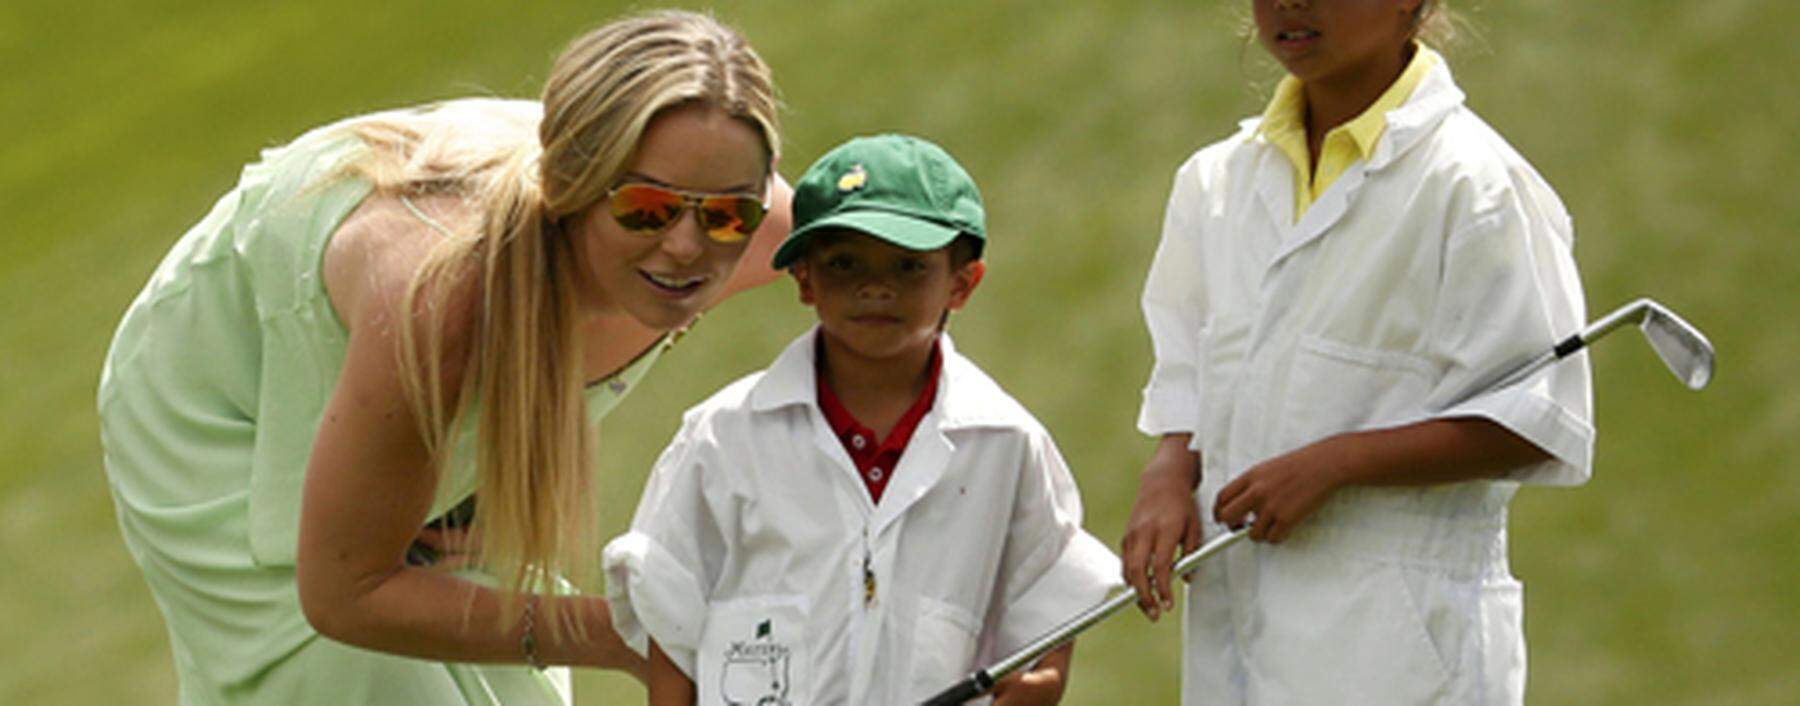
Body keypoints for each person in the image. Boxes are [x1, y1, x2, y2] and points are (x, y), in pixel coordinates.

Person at [97, 10, 791, 705]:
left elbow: (894, 293)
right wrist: (627, 636)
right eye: (645, 208)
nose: (686, 248)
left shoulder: (777, 236)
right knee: (358, 676)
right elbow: (345, 594)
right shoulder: (441, 303)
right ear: (574, 188)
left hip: (401, 379)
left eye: (728, 214)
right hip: (219, 404)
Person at [1119, 1, 1594, 704]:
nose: (1289, 4)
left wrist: (1339, 463)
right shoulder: (1213, 182)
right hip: (1237, 635)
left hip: (1404, 647)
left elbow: (1533, 421)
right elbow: (1189, 375)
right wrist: (1166, 474)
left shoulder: (1476, 185)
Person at [601, 134, 1121, 706]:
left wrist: (1045, 683)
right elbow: (669, 617)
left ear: (962, 283)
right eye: (844, 263)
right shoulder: (722, 435)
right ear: (804, 279)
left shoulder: (1005, 443)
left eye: (908, 266)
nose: (876, 287)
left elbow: (1047, 591)